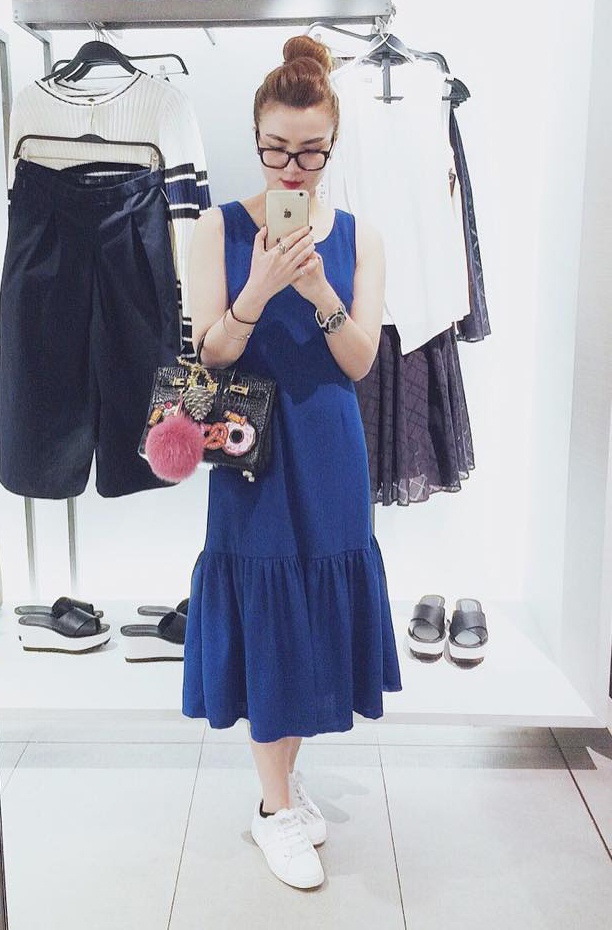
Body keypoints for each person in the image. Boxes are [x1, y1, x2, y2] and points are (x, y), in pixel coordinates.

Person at [182, 35, 402, 890]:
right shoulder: (216, 227)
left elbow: (359, 361)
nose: (292, 170)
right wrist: (258, 289)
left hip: (330, 445)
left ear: (332, 144)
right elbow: (210, 355)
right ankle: (274, 808)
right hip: (250, 449)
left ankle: (282, 784)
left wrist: (316, 292)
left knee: (315, 610)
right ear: (256, 137)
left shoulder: (361, 236)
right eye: (276, 150)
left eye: (311, 152)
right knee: (268, 606)